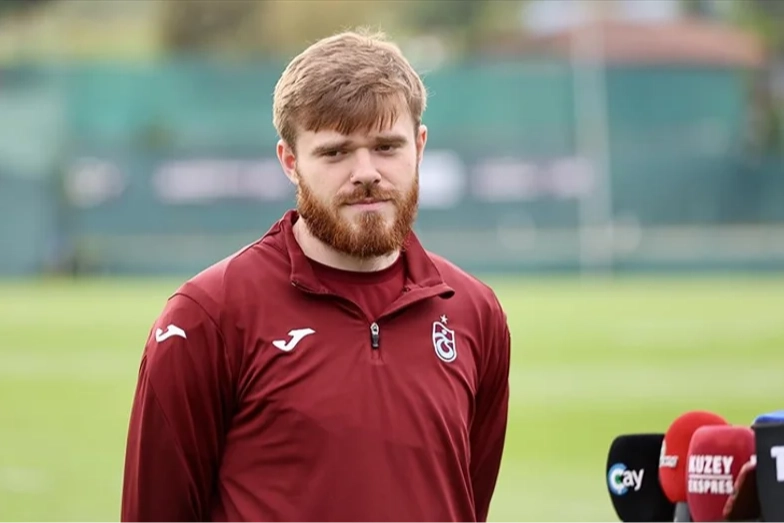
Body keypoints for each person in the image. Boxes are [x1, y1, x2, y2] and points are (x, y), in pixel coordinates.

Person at [121, 29, 511, 523]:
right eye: (335, 152)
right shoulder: (207, 317)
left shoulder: (475, 312)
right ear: (290, 161)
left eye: (386, 147)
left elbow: (465, 503)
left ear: (419, 146)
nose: (365, 172)